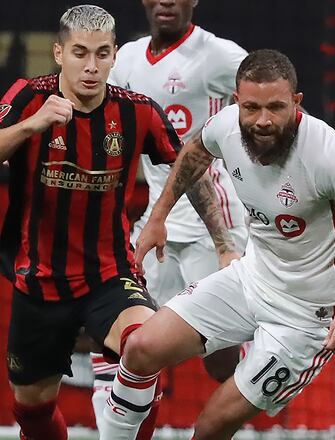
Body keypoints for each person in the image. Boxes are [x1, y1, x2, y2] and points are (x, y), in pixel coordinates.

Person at [100, 49, 335, 439]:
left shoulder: (330, 156)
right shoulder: (227, 125)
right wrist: (158, 216)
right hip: (249, 279)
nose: (263, 120)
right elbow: (195, 149)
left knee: (211, 425)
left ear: (296, 101)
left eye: (276, 107)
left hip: (306, 319)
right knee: (141, 348)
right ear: (236, 102)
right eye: (251, 108)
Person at [0, 5, 232, 440]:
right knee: (31, 408)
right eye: (80, 53)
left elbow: (190, 168)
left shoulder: (136, 111)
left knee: (146, 346)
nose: (91, 66)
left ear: (114, 55)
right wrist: (32, 126)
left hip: (109, 275)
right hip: (39, 279)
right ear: (59, 53)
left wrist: (219, 241)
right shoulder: (29, 97)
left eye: (102, 54)